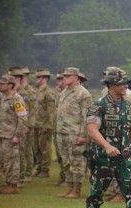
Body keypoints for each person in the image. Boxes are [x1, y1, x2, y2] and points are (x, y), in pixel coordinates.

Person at [85, 68, 131, 208]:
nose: (126, 86)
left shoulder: (130, 107)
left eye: (127, 83)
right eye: (122, 83)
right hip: (103, 159)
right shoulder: (99, 105)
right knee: (95, 196)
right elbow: (92, 130)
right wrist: (107, 146)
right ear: (110, 85)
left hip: (126, 159)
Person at [56, 67, 92, 199]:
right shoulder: (64, 92)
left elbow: (87, 116)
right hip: (62, 132)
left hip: (75, 134)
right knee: (66, 162)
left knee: (77, 162)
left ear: (76, 78)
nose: (65, 78)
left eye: (68, 76)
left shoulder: (83, 94)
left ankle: (76, 190)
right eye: (64, 76)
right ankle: (69, 188)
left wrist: (83, 135)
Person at [0, 74, 28, 194]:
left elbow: (23, 118)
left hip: (11, 135)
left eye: (3, 83)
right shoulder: (4, 97)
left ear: (10, 85)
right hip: (3, 134)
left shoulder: (17, 99)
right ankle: (7, 183)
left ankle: (13, 185)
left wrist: (17, 135)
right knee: (4, 161)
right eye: (0, 83)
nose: (0, 85)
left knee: (12, 161)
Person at [33, 69, 56, 178]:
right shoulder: (37, 91)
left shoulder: (49, 92)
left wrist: (48, 125)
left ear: (44, 78)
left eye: (38, 77)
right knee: (36, 148)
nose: (36, 80)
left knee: (45, 148)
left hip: (44, 125)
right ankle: (39, 168)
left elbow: (51, 111)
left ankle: (45, 169)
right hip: (36, 124)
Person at [20, 67, 36, 182]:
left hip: (28, 124)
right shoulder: (19, 90)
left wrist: (30, 124)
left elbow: (32, 109)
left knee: (28, 149)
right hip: (22, 123)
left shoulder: (29, 91)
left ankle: (28, 172)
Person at [53, 70, 67, 186]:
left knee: (69, 157)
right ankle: (63, 177)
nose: (57, 82)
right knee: (60, 155)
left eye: (60, 79)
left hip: (69, 131)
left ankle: (69, 180)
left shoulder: (73, 94)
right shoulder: (60, 94)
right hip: (57, 129)